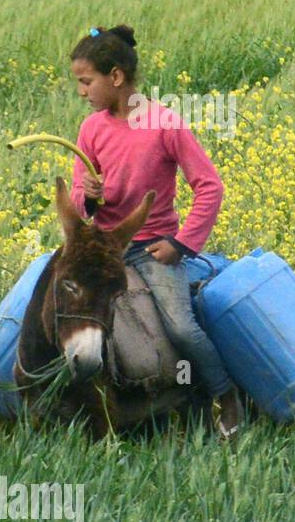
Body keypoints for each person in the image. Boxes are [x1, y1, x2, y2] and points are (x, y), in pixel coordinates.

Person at [68, 24, 242, 438]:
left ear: (115, 77)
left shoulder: (165, 124)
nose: (81, 92)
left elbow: (209, 187)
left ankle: (225, 396)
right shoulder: (91, 129)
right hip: (107, 247)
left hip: (153, 251)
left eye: (86, 81)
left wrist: (181, 245)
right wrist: (88, 196)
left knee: (181, 327)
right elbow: (78, 197)